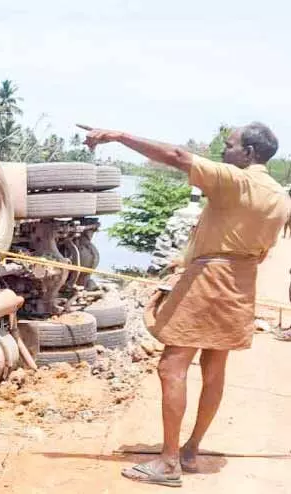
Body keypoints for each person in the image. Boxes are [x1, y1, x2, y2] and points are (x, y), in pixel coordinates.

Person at [79, 122, 291, 487]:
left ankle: (168, 463)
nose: (224, 150)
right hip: (241, 281)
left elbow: (177, 156)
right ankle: (190, 450)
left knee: (171, 366)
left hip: (211, 278)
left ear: (249, 153)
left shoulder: (236, 180)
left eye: (229, 145)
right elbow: (264, 251)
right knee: (214, 365)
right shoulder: (279, 195)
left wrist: (119, 136)